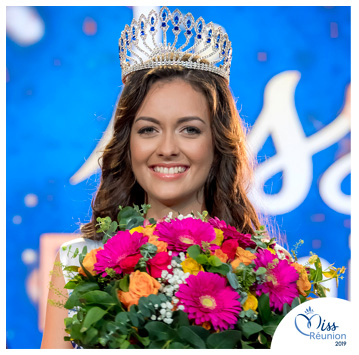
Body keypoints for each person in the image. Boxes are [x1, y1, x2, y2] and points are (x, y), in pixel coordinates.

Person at [41, 7, 263, 348]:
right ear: (127, 143)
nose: (167, 148)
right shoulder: (79, 262)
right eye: (149, 130)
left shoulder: (261, 270)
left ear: (218, 142)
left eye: (190, 129)